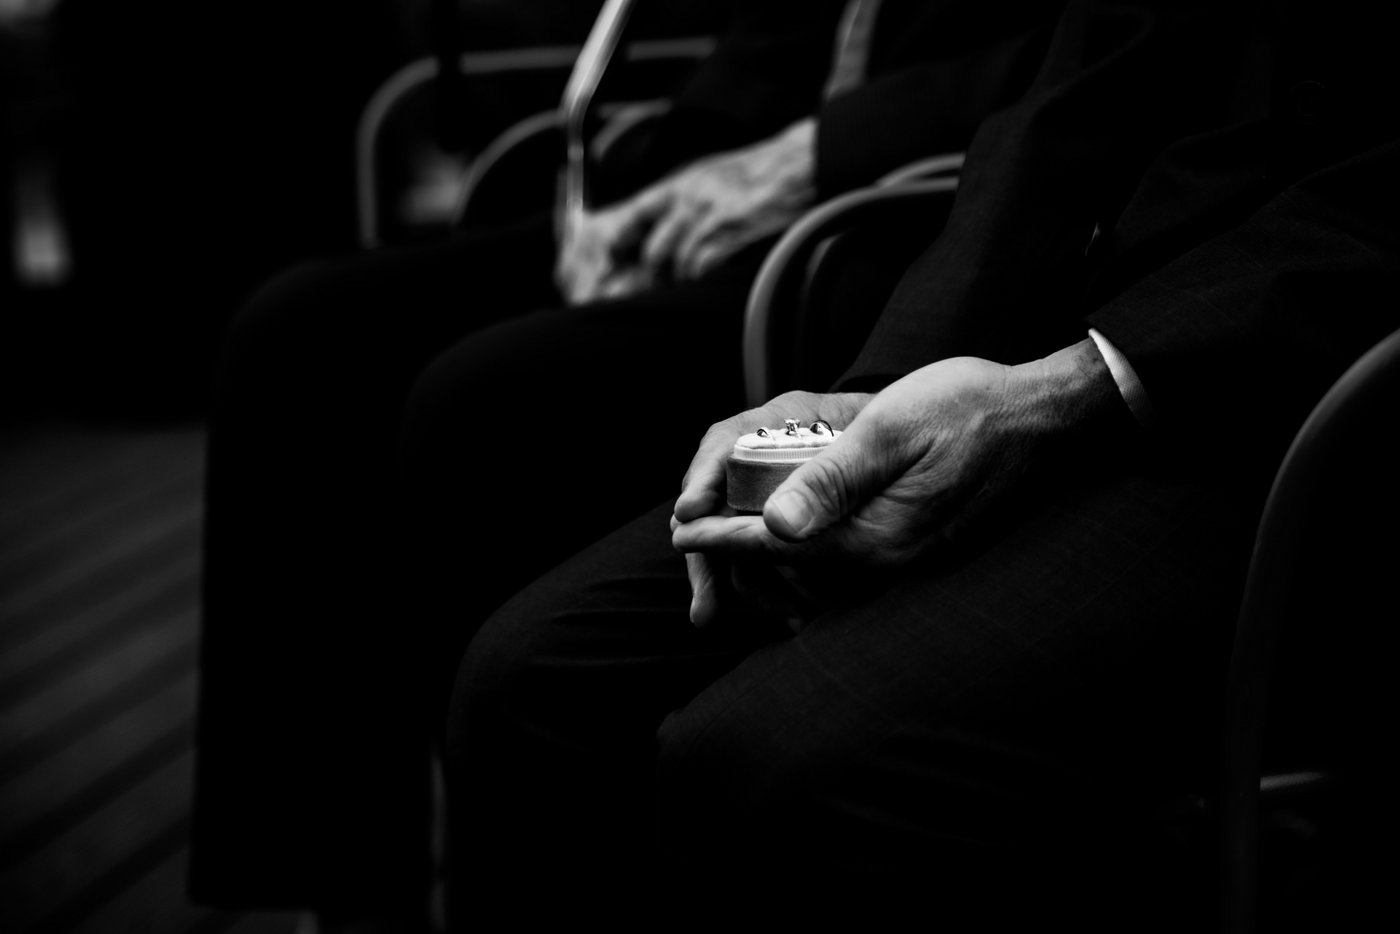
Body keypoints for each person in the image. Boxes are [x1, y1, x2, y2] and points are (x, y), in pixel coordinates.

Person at [440, 0, 1400, 928]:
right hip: (1077, 326)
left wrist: (1089, 381)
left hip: (1315, 402)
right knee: (534, 676)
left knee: (777, 760)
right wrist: (897, 378)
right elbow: (1086, 77)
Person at [187, 2, 1065, 931]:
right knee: (298, 338)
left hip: (888, 212)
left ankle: (498, 872)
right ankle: (349, 889)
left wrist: (819, 151)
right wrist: (662, 173)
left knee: (481, 404)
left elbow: (1084, 59)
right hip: (720, 179)